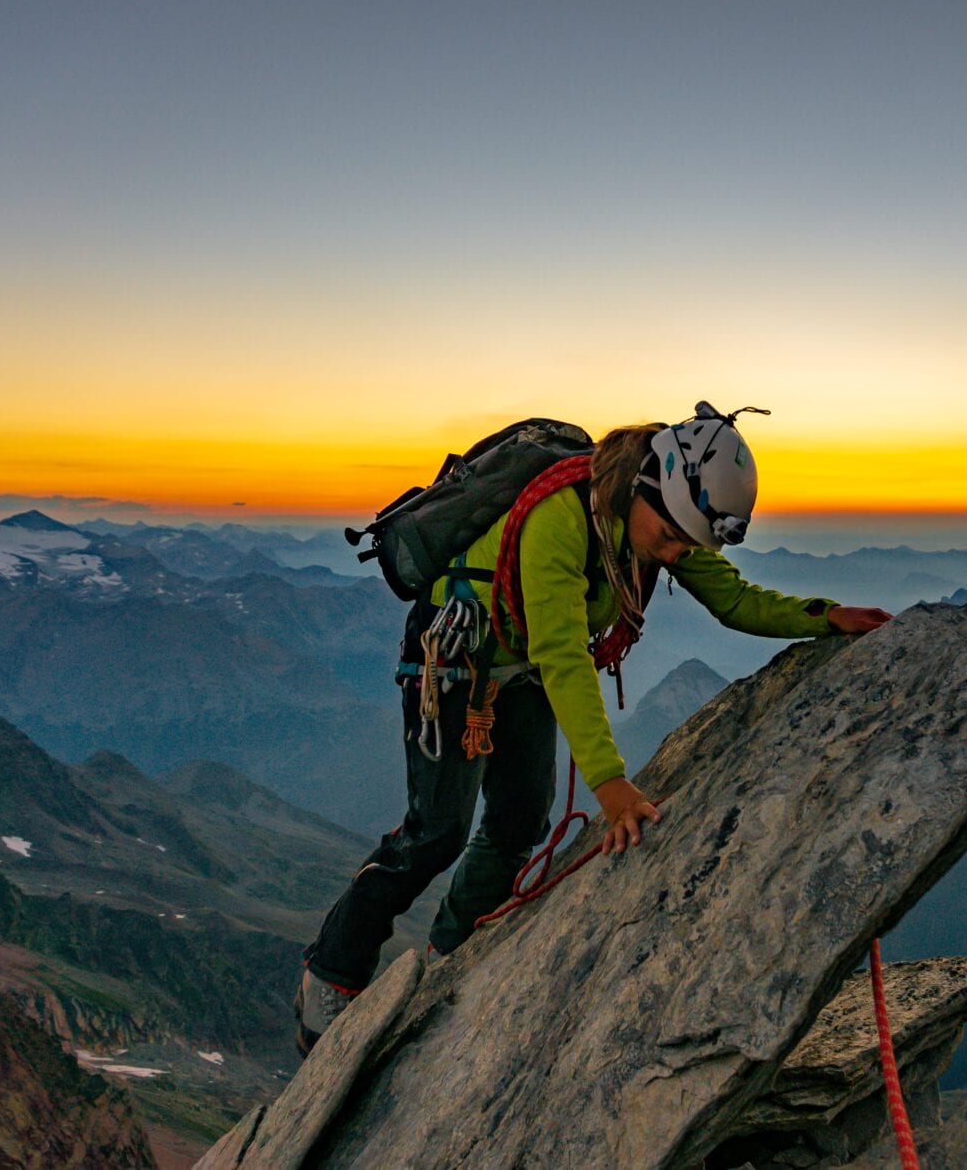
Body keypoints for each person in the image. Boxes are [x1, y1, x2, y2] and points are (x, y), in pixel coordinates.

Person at [294, 403, 892, 1054]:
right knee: (434, 834)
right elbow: (561, 652)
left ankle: (452, 954)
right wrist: (610, 784)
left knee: (520, 819)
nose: (671, 554)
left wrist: (826, 616)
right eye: (668, 537)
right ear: (645, 485)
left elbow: (734, 600)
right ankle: (331, 973)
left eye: (683, 544)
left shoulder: (658, 513)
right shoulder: (561, 515)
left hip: (518, 665)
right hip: (453, 661)